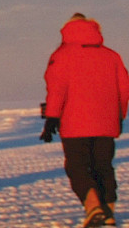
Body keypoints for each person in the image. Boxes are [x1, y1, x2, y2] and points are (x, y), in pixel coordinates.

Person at [42, 13, 129, 228]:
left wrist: (51, 118)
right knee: (103, 166)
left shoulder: (61, 55)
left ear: (67, 30)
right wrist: (119, 116)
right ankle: (108, 213)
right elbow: (124, 88)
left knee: (78, 167)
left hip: (74, 123)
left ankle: (93, 208)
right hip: (106, 122)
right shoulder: (111, 56)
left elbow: (57, 89)